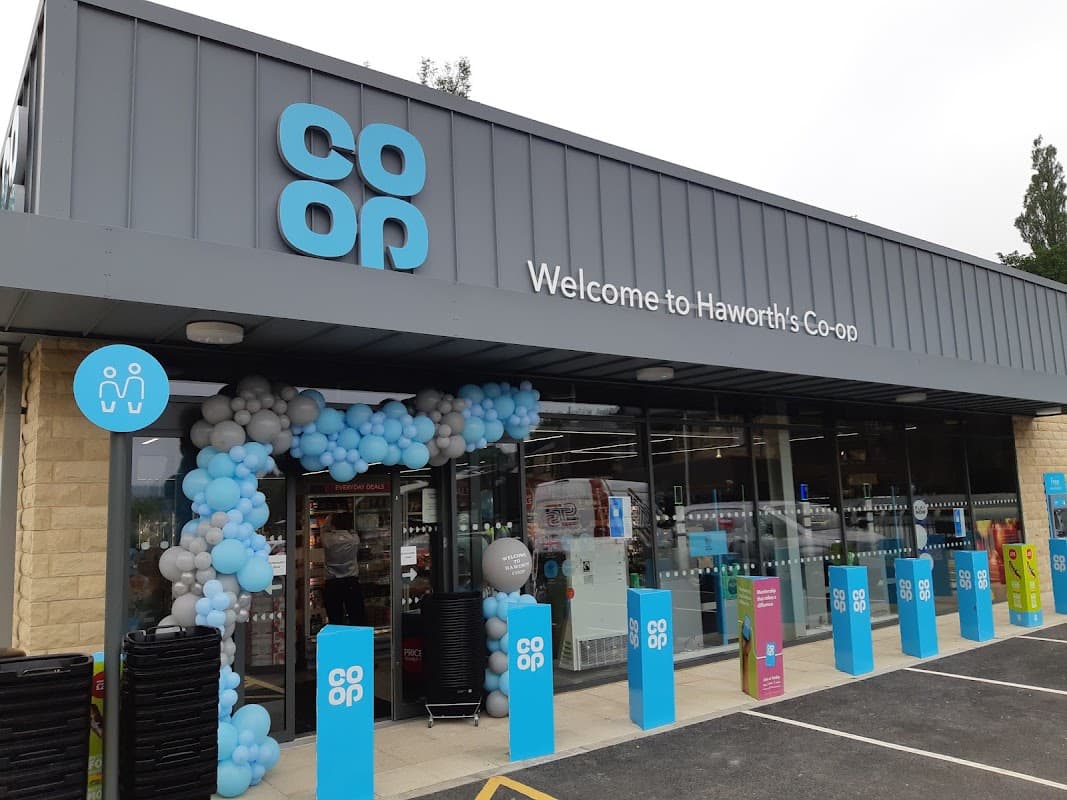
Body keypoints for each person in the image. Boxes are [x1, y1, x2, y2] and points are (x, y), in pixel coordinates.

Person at [321, 512, 368, 627]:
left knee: (335, 619)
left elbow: (323, 529)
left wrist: (329, 519)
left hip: (332, 583)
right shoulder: (354, 539)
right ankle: (357, 643)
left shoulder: (327, 539)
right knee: (357, 617)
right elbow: (354, 530)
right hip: (351, 582)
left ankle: (338, 643)